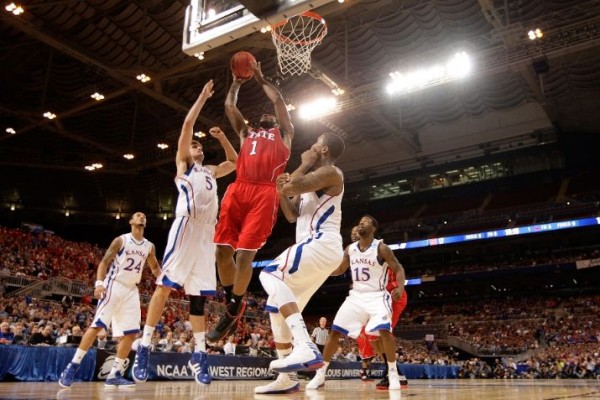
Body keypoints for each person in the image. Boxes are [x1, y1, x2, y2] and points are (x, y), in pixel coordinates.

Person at [131, 80, 237, 386]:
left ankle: (199, 355)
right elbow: (188, 124)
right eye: (195, 145)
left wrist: (222, 136)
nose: (198, 146)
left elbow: (235, 162)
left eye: (200, 145)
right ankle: (145, 346)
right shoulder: (184, 166)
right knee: (164, 287)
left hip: (207, 235)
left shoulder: (211, 171)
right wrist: (203, 96)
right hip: (186, 226)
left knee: (199, 298)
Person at [208, 61, 294, 343]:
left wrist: (259, 76)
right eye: (265, 114)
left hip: (264, 192)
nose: (268, 113)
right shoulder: (247, 134)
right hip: (238, 188)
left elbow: (278, 99)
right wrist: (235, 82)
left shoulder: (284, 134)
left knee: (244, 255)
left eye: (272, 114)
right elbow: (230, 108)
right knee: (222, 251)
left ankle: (233, 307)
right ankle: (235, 300)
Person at [253, 132, 346, 394]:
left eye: (315, 143)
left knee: (269, 275)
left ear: (324, 149)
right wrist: (281, 189)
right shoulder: (310, 183)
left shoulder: (331, 173)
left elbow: (290, 186)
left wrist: (302, 165)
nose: (311, 147)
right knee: (275, 308)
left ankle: (305, 346)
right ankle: (287, 377)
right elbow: (292, 214)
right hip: (314, 248)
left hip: (321, 243)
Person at [58, 212, 160, 388]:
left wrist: (167, 281)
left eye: (144, 216)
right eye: (138, 215)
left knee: (130, 334)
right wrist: (99, 284)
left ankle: (114, 374)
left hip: (131, 290)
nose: (142, 217)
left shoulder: (149, 246)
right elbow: (104, 262)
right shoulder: (121, 240)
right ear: (131, 222)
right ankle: (72, 367)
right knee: (97, 325)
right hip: (114, 285)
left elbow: (155, 268)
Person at [307, 215, 406, 391]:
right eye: (359, 221)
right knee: (335, 331)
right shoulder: (350, 249)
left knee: (385, 331)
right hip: (356, 297)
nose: (361, 223)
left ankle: (392, 374)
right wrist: (321, 269)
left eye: (365, 222)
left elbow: (398, 268)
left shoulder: (381, 248)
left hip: (377, 295)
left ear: (373, 228)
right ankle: (321, 374)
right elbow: (340, 269)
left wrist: (399, 286)